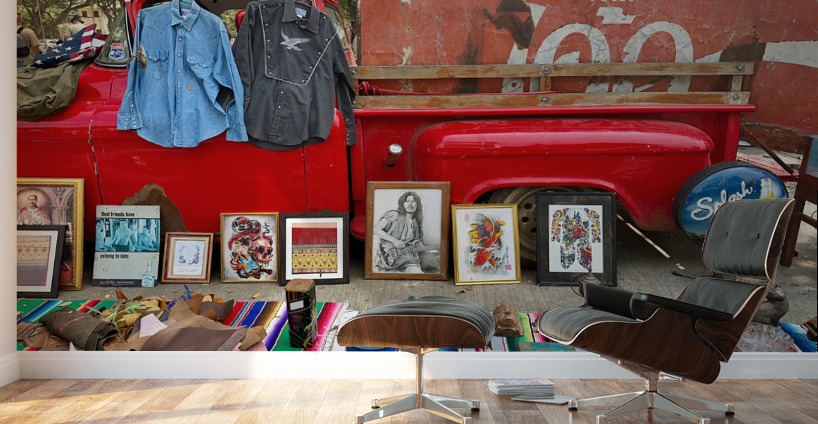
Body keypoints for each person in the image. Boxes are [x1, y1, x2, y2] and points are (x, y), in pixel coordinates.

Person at [373, 191, 435, 273]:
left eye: (413, 201)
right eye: (407, 201)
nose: (410, 204)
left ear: (417, 205)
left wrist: (426, 251)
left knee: (418, 273)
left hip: (407, 261)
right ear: (402, 204)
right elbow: (376, 229)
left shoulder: (416, 223)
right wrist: (394, 241)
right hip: (387, 260)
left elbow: (415, 246)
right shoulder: (394, 215)